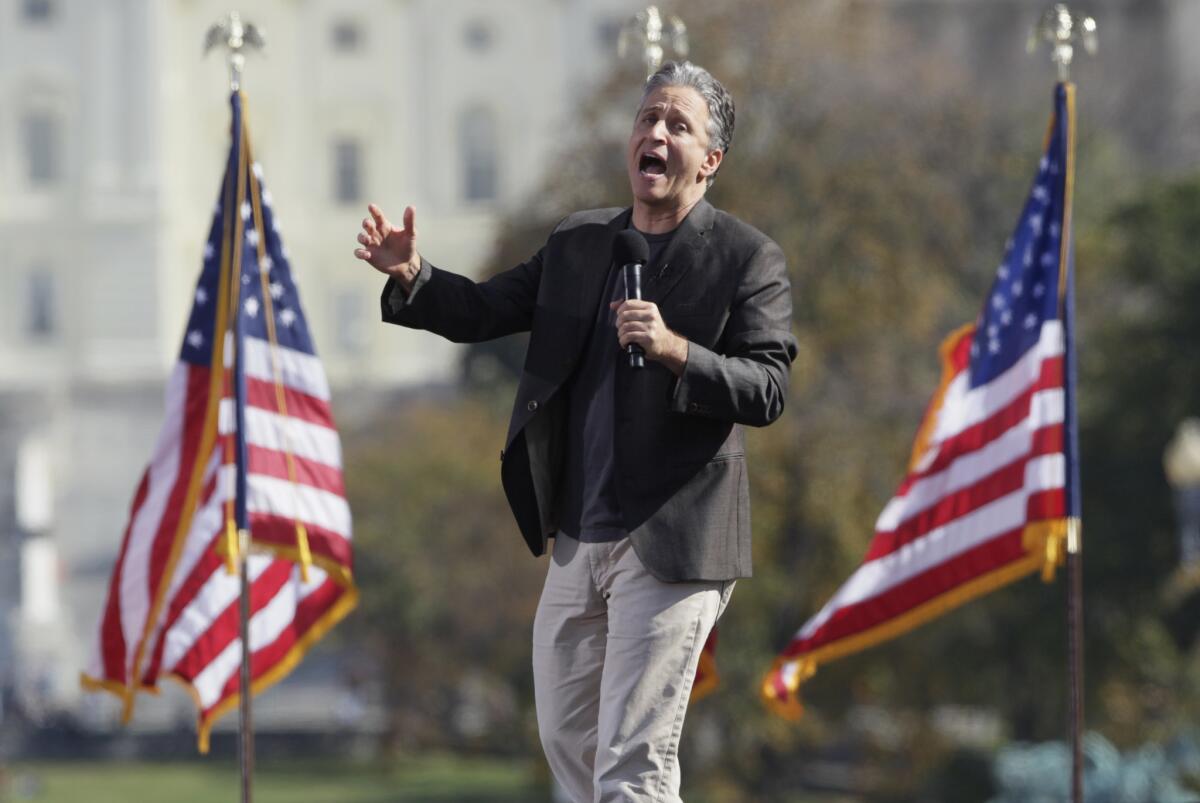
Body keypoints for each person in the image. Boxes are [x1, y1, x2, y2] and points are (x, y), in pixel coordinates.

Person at [354, 61, 797, 802]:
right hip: (577, 535)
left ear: (711, 160)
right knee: (570, 744)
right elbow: (483, 311)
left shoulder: (747, 258)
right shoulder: (579, 243)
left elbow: (769, 387)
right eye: (647, 119)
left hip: (675, 541)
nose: (654, 133)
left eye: (677, 125)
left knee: (631, 759)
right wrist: (413, 276)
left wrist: (676, 349)